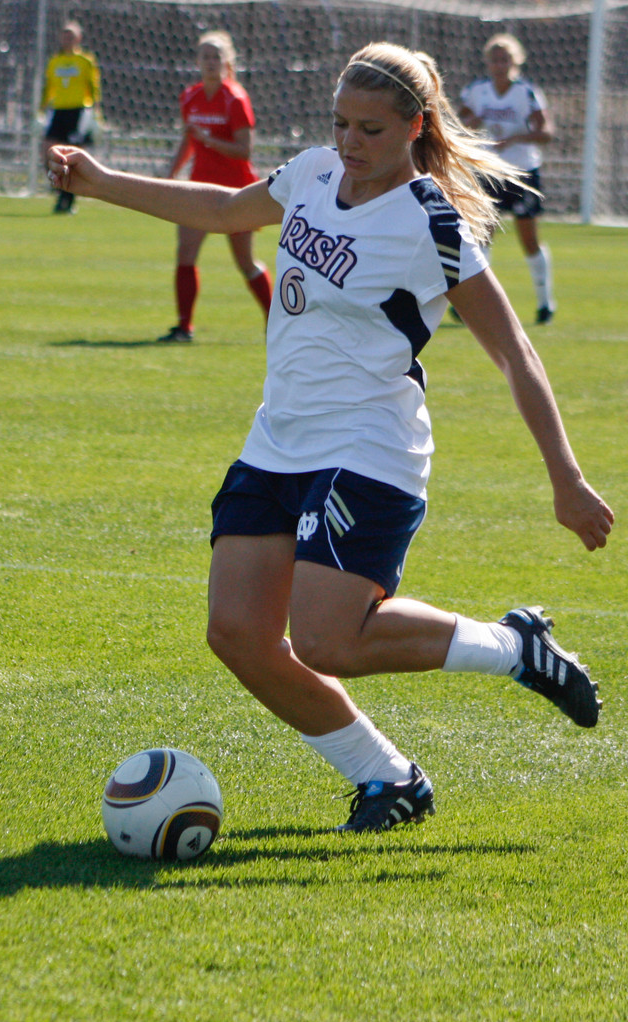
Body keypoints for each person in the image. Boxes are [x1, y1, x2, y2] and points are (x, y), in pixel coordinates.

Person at [48, 41, 613, 834]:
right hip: (278, 439)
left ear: (415, 126)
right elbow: (219, 212)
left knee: (325, 637)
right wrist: (100, 183)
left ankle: (512, 647)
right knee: (238, 632)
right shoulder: (313, 171)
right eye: (341, 123)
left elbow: (513, 349)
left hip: (370, 446)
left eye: (371, 130)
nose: (350, 143)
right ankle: (388, 778)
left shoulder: (432, 223)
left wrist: (566, 476)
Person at [157, 31, 272, 343]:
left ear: (227, 62)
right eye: (205, 56)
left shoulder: (235, 98)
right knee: (185, 252)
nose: (210, 62)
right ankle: (184, 328)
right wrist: (171, 172)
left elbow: (244, 150)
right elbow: (188, 141)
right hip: (200, 188)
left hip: (238, 192)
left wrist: (207, 139)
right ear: (197, 61)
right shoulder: (190, 96)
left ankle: (275, 322)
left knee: (245, 262)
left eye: (215, 56)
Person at [458, 33, 556, 323]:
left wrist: (516, 138)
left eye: (506, 59)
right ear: (487, 62)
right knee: (480, 238)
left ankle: (544, 302)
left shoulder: (527, 92)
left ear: (516, 62)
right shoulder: (476, 91)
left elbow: (546, 132)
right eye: (495, 59)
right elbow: (458, 123)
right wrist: (470, 124)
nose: (500, 65)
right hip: (488, 171)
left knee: (528, 240)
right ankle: (475, 306)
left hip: (522, 172)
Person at [41, 20, 101, 214]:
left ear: (78, 38)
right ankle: (61, 191)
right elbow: (48, 87)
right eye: (65, 34)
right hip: (58, 110)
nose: (67, 38)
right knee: (47, 149)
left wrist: (95, 114)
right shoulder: (54, 61)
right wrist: (41, 110)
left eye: (71, 35)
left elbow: (93, 87)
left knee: (72, 156)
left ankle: (67, 199)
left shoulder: (85, 60)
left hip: (78, 111)